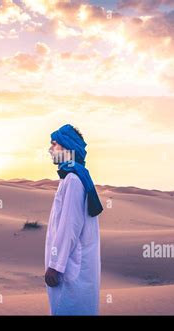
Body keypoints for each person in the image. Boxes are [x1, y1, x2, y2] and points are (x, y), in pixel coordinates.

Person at [44, 124, 103, 315]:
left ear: (67, 148)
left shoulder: (74, 181)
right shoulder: (71, 178)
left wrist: (56, 266)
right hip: (71, 265)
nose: (50, 150)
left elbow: (70, 227)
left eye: (54, 145)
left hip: (71, 268)